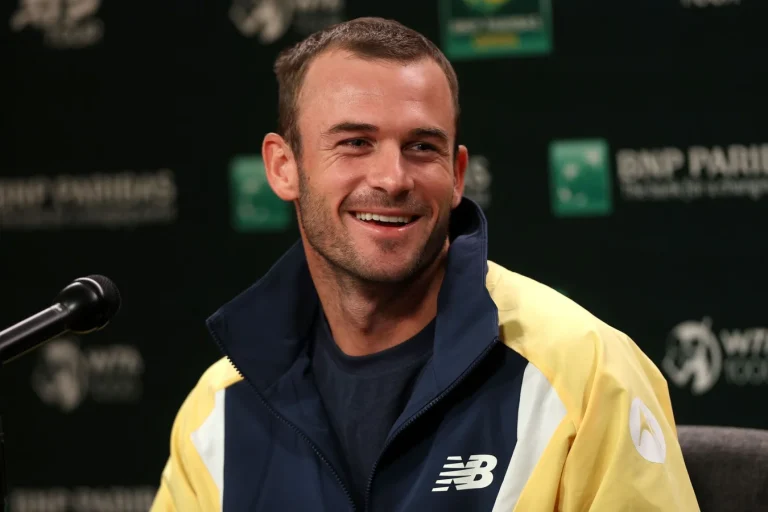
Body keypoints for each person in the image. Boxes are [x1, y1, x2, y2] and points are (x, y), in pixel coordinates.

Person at [150, 17, 700, 512]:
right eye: (356, 142)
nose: (392, 178)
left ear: (458, 174)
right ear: (283, 167)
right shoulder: (217, 411)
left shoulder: (585, 371)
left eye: (421, 147)